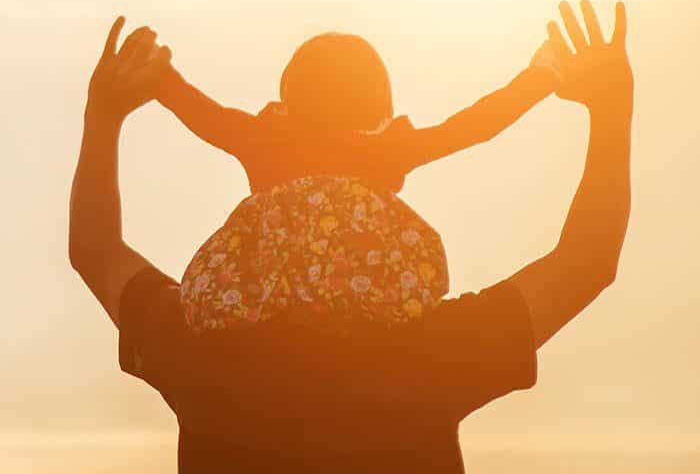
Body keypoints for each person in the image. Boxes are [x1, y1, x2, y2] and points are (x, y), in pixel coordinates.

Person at [68, 0, 633, 474]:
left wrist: (105, 115)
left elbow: (94, 251)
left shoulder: (200, 344)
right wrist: (611, 109)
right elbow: (587, 262)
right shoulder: (433, 353)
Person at [156, 32, 559, 332]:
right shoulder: (384, 147)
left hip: (269, 290)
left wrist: (159, 77)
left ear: (290, 98)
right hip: (367, 294)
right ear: (380, 109)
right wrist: (540, 77)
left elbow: (206, 116)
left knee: (223, 295)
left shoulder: (266, 139)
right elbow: (470, 127)